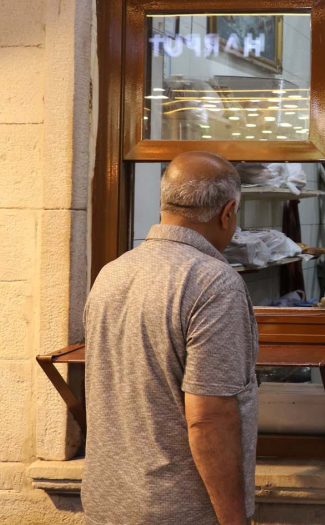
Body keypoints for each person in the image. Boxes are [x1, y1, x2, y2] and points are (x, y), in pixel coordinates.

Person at [82, 152, 257, 525]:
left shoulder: (112, 273)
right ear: (227, 213)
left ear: (165, 204)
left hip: (107, 503)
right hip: (177, 510)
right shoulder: (213, 282)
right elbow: (209, 419)